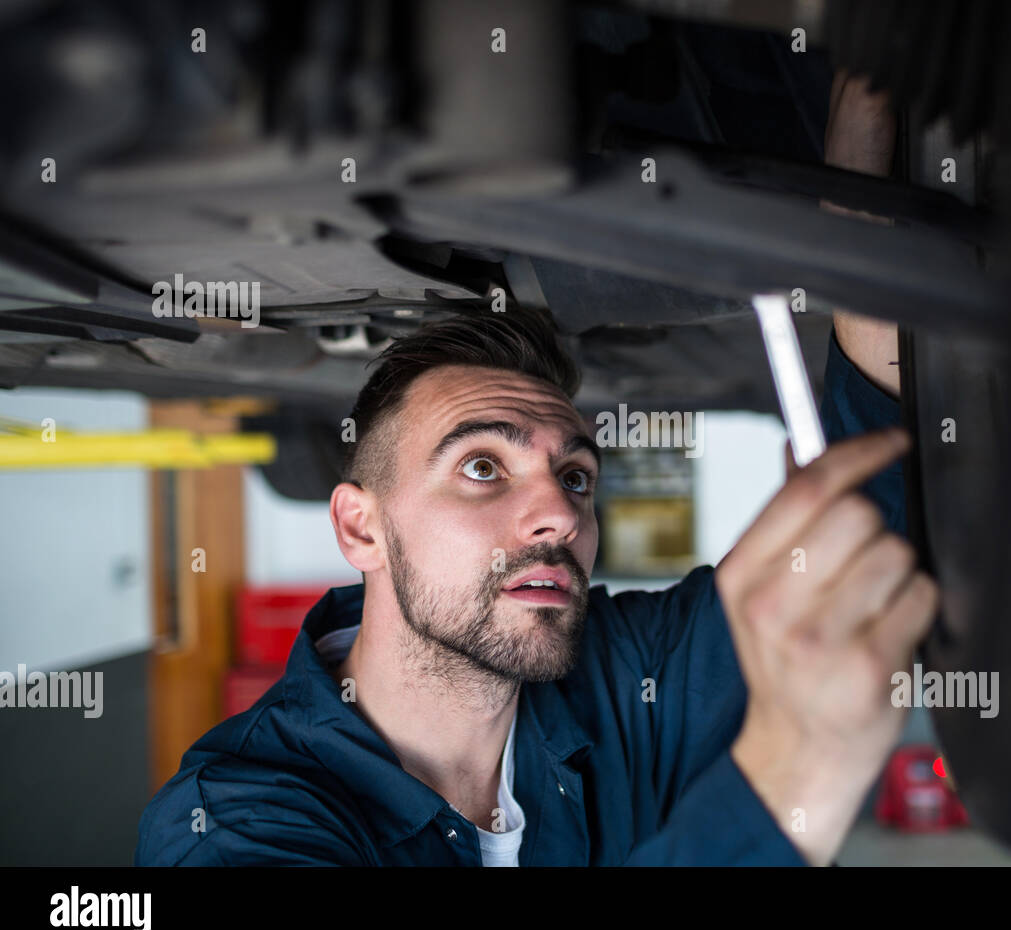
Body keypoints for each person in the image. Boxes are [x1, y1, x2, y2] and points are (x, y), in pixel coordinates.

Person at [135, 71, 934, 867]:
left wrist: (857, 205)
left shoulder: (622, 675)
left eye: (576, 475)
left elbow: (874, 532)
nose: (560, 513)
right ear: (360, 526)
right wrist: (802, 767)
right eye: (483, 466)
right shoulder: (241, 819)